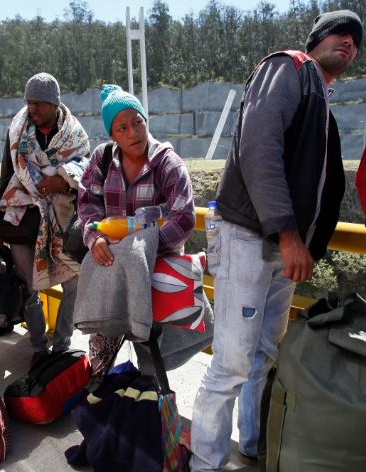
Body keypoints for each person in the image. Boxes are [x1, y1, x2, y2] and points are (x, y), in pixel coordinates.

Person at [190, 10, 362, 470]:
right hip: (251, 234)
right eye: (340, 34)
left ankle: (253, 446)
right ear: (317, 39)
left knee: (264, 356)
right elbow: (258, 148)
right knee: (231, 363)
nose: (348, 43)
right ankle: (203, 463)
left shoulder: (319, 100)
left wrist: (303, 242)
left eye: (356, 42)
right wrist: (289, 235)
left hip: (282, 248)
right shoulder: (288, 68)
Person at [76, 84, 196, 378]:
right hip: (112, 270)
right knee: (101, 355)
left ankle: (150, 411)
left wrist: (142, 251)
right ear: (112, 134)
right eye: (122, 127)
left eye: (138, 122)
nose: (133, 132)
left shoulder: (168, 165)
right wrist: (95, 238)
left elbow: (184, 219)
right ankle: (103, 407)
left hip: (154, 272)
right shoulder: (102, 159)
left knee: (150, 355)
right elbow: (87, 204)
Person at [0, 72, 90, 365]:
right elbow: (7, 177)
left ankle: (62, 343)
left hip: (63, 220)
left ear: (54, 104)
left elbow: (88, 169)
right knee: (28, 284)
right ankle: (38, 342)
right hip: (24, 220)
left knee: (73, 284)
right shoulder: (17, 132)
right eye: (28, 103)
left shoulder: (75, 134)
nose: (31, 109)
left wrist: (63, 183)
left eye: (38, 104)